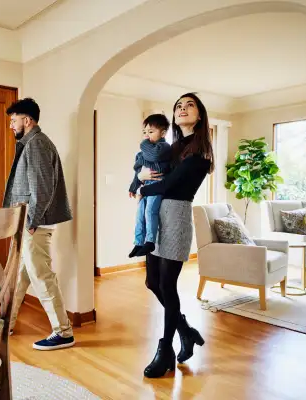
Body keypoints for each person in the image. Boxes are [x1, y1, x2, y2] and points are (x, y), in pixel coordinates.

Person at [134, 93, 214, 378]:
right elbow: (149, 167)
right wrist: (140, 178)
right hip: (158, 216)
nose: (182, 108)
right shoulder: (172, 147)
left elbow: (169, 183)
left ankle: (165, 348)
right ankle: (185, 331)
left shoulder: (200, 151)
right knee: (151, 281)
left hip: (177, 216)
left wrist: (143, 189)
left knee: (167, 285)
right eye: (179, 105)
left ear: (200, 115)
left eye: (189, 105)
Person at [0, 97, 75, 351]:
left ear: (27, 120)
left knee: (40, 274)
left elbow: (42, 188)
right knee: (22, 274)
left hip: (34, 222)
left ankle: (63, 331)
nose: (11, 126)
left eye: (13, 121)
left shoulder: (36, 145)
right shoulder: (30, 143)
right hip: (30, 221)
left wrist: (33, 220)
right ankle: (7, 320)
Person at [128, 114, 172, 258]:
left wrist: (143, 143)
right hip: (145, 185)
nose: (146, 136)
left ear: (163, 133)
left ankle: (150, 241)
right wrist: (133, 186)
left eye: (151, 132)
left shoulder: (163, 147)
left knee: (149, 212)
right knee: (140, 214)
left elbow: (154, 156)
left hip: (157, 185)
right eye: (144, 132)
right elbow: (138, 170)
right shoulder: (141, 154)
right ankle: (139, 242)